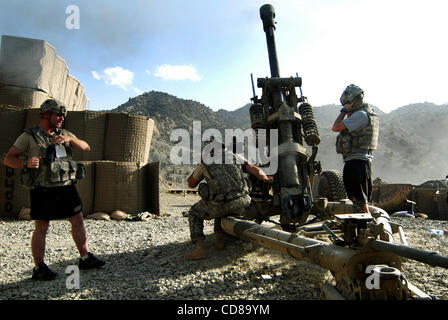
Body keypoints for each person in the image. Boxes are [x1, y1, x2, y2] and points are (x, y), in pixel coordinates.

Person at [3, 99, 105, 280]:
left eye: (63, 115)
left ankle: (85, 257)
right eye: (57, 114)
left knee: (78, 220)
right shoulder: (29, 136)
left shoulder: (65, 134)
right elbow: (8, 159)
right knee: (42, 226)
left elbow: (86, 147)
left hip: (66, 187)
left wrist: (70, 139)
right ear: (45, 114)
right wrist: (25, 162)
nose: (61, 118)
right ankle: (39, 267)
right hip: (43, 189)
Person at [185, 141, 273, 260]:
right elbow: (254, 169)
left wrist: (200, 164)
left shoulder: (205, 163)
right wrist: (266, 178)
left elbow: (191, 183)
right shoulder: (234, 156)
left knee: (196, 212)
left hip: (220, 205)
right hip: (242, 202)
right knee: (220, 198)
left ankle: (199, 248)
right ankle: (219, 239)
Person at [332, 84, 379, 213]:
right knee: (360, 202)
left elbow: (336, 127)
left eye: (347, 104)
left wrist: (343, 112)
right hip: (362, 162)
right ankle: (362, 227)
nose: (346, 107)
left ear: (353, 102)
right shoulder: (368, 114)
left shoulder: (360, 116)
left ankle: (366, 225)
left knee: (360, 202)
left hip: (356, 163)